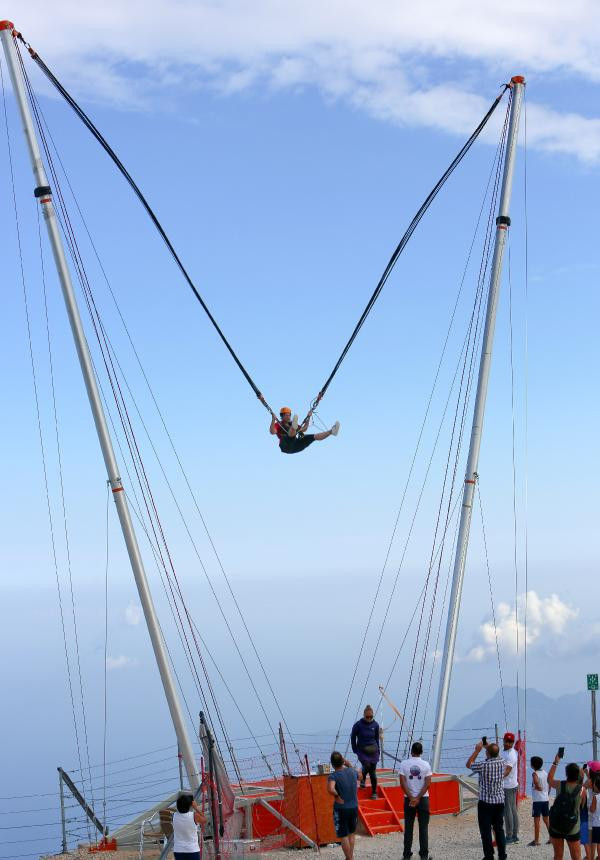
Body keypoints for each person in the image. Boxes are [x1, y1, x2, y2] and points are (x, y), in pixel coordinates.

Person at [466, 740, 507, 860]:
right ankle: (502, 855)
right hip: (499, 802)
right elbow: (496, 754)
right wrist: (489, 747)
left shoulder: (483, 765)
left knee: (486, 831)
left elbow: (469, 764)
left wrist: (477, 750)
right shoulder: (502, 762)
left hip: (485, 803)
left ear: (487, 753)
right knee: (499, 829)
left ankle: (489, 856)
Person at [399, 741, 432, 860]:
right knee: (423, 828)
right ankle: (424, 855)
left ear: (411, 751)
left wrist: (412, 798)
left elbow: (402, 783)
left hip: (409, 799)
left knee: (408, 828)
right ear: (421, 752)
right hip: (423, 799)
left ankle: (407, 855)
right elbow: (427, 783)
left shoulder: (404, 764)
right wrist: (418, 798)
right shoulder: (426, 765)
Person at [547, 752, 582, 860]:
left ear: (566, 774)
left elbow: (549, 780)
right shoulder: (582, 790)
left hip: (557, 824)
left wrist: (555, 762)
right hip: (573, 827)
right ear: (578, 775)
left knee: (558, 856)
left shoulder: (560, 785)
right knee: (576, 857)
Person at [327, 751, 360, 860]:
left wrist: (337, 796)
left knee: (343, 835)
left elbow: (331, 789)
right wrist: (349, 764)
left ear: (332, 764)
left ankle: (349, 858)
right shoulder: (351, 771)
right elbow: (360, 776)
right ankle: (350, 857)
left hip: (341, 809)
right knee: (351, 833)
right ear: (343, 761)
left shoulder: (333, 776)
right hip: (354, 806)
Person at [270, 407, 339, 454]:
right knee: (290, 436)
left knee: (311, 437)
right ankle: (293, 429)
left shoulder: (292, 423)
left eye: (289, 415)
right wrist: (273, 420)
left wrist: (308, 417)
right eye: (286, 415)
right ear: (281, 416)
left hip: (296, 446)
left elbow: (304, 428)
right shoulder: (278, 424)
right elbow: (272, 432)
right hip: (286, 446)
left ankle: (331, 431)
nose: (288, 417)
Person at [351, 705, 380, 800]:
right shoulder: (358, 725)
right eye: (367, 717)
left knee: (372, 772)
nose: (369, 719)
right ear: (364, 715)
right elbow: (353, 737)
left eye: (371, 717)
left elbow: (376, 738)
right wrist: (354, 749)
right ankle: (362, 779)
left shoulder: (375, 725)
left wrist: (378, 750)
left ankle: (374, 792)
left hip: (373, 750)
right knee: (367, 766)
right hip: (362, 750)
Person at [172, 792, 207, 860]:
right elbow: (204, 819)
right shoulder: (194, 816)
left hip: (178, 850)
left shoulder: (173, 816)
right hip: (192, 849)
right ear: (190, 805)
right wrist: (196, 808)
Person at [501, 731, 519, 844]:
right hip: (511, 785)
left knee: (508, 811)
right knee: (512, 810)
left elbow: (507, 770)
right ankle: (515, 835)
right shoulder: (505, 752)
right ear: (503, 741)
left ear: (513, 742)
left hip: (508, 786)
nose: (508, 743)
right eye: (507, 741)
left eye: (510, 742)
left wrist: (496, 778)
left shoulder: (511, 754)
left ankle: (509, 836)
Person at [528, 755, 550, 846]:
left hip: (537, 800)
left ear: (533, 765)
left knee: (537, 820)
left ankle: (536, 840)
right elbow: (550, 783)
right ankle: (552, 838)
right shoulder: (545, 772)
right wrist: (547, 792)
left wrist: (538, 787)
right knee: (546, 819)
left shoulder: (534, 773)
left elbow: (536, 782)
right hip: (545, 799)